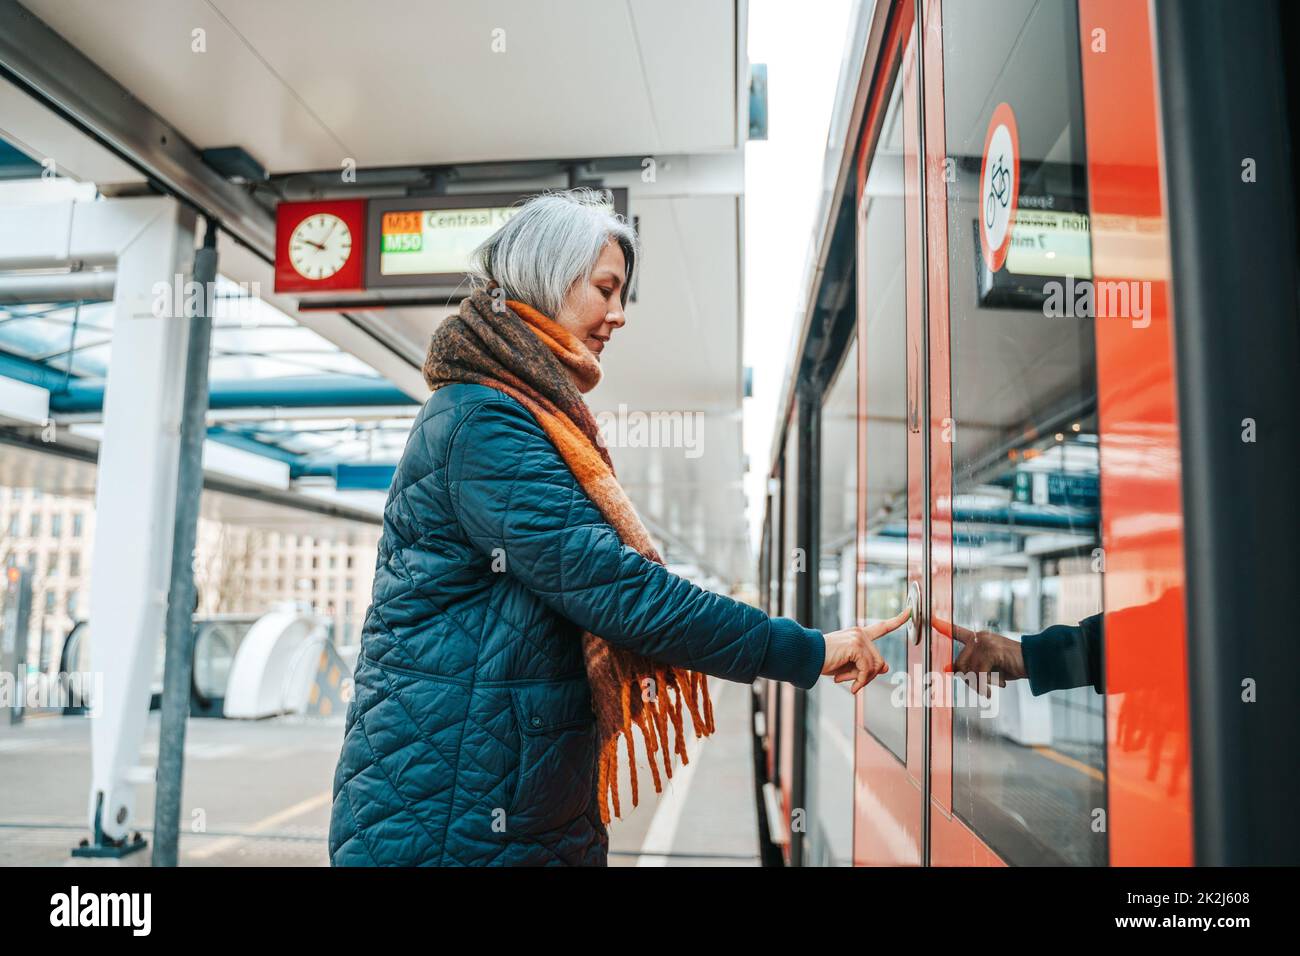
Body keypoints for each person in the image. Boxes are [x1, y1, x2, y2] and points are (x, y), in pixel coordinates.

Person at [327, 188, 908, 866]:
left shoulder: (524, 416)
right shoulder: (482, 423)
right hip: (452, 817)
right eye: (605, 289)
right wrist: (805, 651)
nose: (619, 314)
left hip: (497, 801)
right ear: (549, 278)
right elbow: (616, 587)